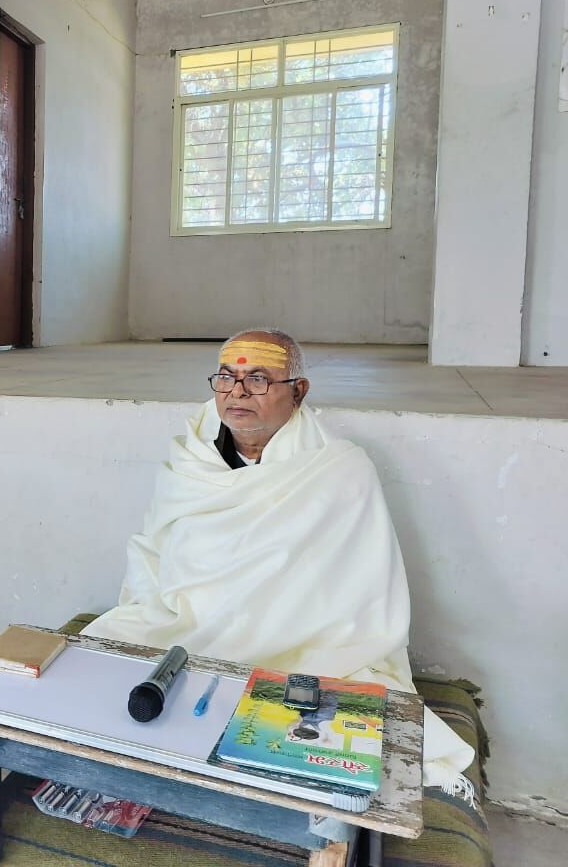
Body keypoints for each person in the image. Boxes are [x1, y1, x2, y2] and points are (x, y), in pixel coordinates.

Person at [84, 329, 476, 798]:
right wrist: (153, 608)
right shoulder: (189, 458)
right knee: (97, 663)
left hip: (300, 642)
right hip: (181, 625)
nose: (237, 392)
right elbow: (152, 550)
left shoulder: (340, 469)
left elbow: (364, 590)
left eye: (258, 379)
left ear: (299, 390)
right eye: (226, 378)